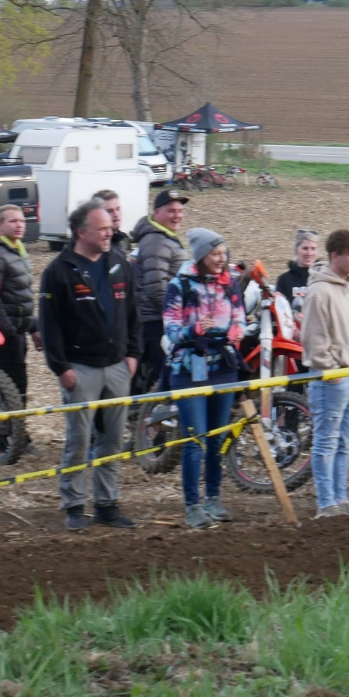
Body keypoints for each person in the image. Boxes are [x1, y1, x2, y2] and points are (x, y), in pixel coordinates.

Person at [38, 201, 142, 532]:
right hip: (80, 367)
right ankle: (74, 504)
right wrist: (61, 367)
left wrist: (133, 355)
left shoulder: (119, 263)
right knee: (79, 439)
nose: (110, 233)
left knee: (113, 439)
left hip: (117, 366)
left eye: (110, 228)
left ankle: (107, 505)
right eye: (102, 229)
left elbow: (133, 313)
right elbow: (49, 326)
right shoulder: (58, 271)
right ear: (82, 233)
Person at [164, 228, 246, 529]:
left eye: (223, 253)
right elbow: (171, 329)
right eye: (215, 254)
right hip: (189, 368)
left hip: (223, 366)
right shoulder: (180, 285)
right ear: (200, 256)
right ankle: (192, 505)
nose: (221, 259)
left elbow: (240, 317)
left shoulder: (230, 283)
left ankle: (213, 497)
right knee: (195, 438)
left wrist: (238, 331)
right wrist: (194, 330)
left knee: (217, 437)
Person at [302, 229, 349, 516]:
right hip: (334, 380)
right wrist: (331, 370)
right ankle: (326, 502)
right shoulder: (319, 292)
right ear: (335, 256)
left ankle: (341, 498)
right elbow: (313, 338)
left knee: (346, 442)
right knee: (326, 442)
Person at [0, 203, 35, 407]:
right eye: (13, 221)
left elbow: (22, 293)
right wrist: (7, 329)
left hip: (17, 330)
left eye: (22, 221)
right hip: (3, 333)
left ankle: (12, 424)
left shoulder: (17, 249)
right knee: (12, 385)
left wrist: (33, 326)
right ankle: (4, 426)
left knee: (17, 383)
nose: (19, 225)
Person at [132, 190, 190, 392]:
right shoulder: (156, 241)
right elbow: (156, 287)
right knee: (169, 381)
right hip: (156, 323)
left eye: (180, 211)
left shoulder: (163, 238)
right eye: (171, 211)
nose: (177, 216)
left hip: (158, 320)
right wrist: (176, 316)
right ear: (157, 212)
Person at [275, 230, 320, 322]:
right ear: (296, 251)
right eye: (305, 248)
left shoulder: (323, 278)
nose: (309, 253)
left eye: (313, 248)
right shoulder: (284, 280)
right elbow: (280, 311)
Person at [92, 188, 130, 253]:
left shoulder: (124, 239)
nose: (116, 214)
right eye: (109, 211)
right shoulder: (94, 245)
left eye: (118, 209)